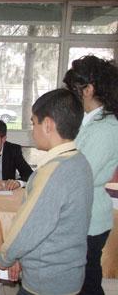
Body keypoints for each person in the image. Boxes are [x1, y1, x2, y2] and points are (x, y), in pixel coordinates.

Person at [0, 89, 93, 295]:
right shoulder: (79, 161)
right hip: (68, 274)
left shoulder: (53, 171)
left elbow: (29, 226)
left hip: (46, 279)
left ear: (47, 125)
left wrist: (4, 257)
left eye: (33, 123)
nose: (32, 130)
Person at [63, 55, 118, 295]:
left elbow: (82, 173)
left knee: (88, 282)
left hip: (90, 218)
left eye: (73, 89)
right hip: (80, 213)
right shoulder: (89, 122)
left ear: (88, 89)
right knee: (80, 278)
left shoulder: (107, 127)